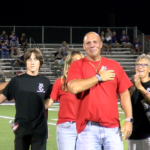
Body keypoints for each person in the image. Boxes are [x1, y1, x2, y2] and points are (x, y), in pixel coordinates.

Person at [67, 32, 133, 150]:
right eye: (88, 43)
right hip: (88, 129)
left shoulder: (115, 65)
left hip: (112, 129)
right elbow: (73, 87)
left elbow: (125, 94)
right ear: (83, 46)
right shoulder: (77, 66)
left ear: (101, 44)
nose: (92, 45)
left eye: (95, 42)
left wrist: (128, 119)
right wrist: (98, 77)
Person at [0, 48, 51, 150]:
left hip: (40, 131)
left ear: (40, 62)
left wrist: (46, 128)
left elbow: (45, 107)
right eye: (29, 59)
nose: (32, 62)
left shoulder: (45, 82)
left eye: (35, 59)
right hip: (22, 129)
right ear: (25, 62)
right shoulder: (17, 81)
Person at [45, 50, 84, 150]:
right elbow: (48, 104)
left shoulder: (88, 82)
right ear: (69, 63)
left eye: (81, 60)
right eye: (75, 60)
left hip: (85, 127)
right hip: (66, 127)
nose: (78, 62)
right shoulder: (60, 82)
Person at [128, 54, 150, 150]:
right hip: (133, 134)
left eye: (144, 64)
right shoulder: (131, 85)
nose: (140, 67)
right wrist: (133, 86)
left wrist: (140, 87)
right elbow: (125, 105)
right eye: (137, 64)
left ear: (149, 69)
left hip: (148, 135)